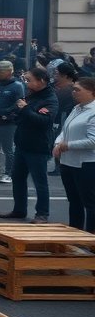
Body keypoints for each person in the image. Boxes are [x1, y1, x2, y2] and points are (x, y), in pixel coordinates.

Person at [0, 67, 59, 223]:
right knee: (18, 178)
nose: (26, 83)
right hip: (22, 144)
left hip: (38, 147)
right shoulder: (32, 95)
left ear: (42, 81)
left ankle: (42, 214)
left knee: (40, 182)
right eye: (25, 79)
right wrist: (11, 114)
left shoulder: (50, 99)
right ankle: (19, 209)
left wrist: (24, 109)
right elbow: (21, 114)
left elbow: (43, 121)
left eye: (29, 79)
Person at [54, 77, 95, 232]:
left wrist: (68, 145)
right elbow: (65, 130)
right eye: (74, 89)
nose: (73, 92)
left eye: (78, 89)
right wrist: (58, 143)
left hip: (86, 164)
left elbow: (93, 140)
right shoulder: (77, 108)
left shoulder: (93, 111)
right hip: (68, 162)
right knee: (74, 201)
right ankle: (75, 233)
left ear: (91, 91)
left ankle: (91, 238)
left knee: (90, 203)